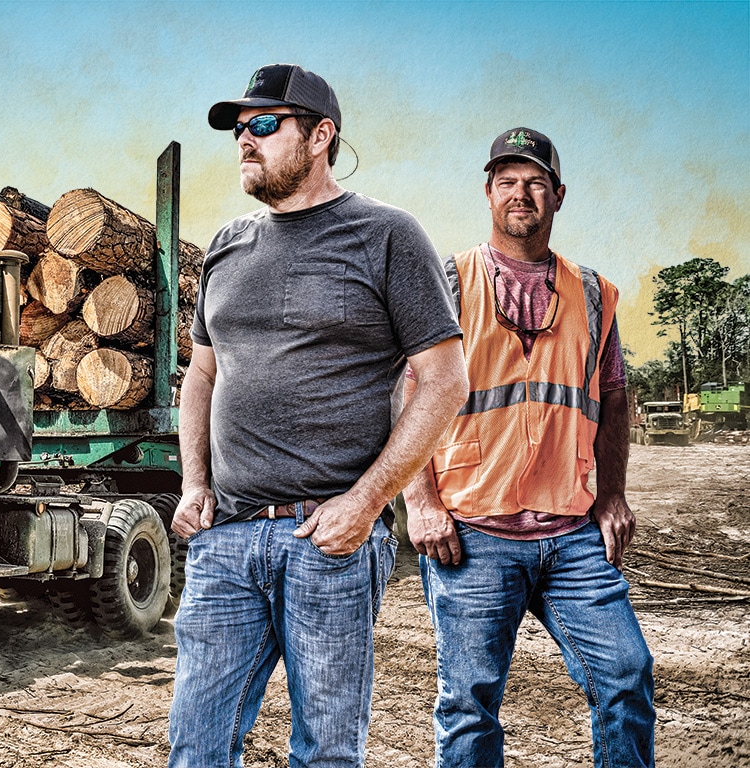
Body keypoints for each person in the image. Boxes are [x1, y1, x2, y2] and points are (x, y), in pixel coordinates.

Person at [168, 63, 468, 768]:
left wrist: (367, 503)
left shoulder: (387, 235)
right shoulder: (227, 246)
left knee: (327, 753)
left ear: (321, 135)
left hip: (328, 543)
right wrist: (193, 484)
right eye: (240, 130)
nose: (247, 141)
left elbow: (446, 380)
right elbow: (201, 374)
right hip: (228, 542)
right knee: (196, 745)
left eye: (265, 126)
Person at [403, 128, 655, 768]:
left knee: (626, 674)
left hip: (572, 533)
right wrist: (421, 501)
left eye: (536, 181)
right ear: (488, 193)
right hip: (472, 530)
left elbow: (614, 400)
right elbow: (405, 395)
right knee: (470, 703)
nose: (523, 194)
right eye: (509, 181)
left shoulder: (593, 293)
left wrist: (614, 495)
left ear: (559, 195)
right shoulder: (447, 280)